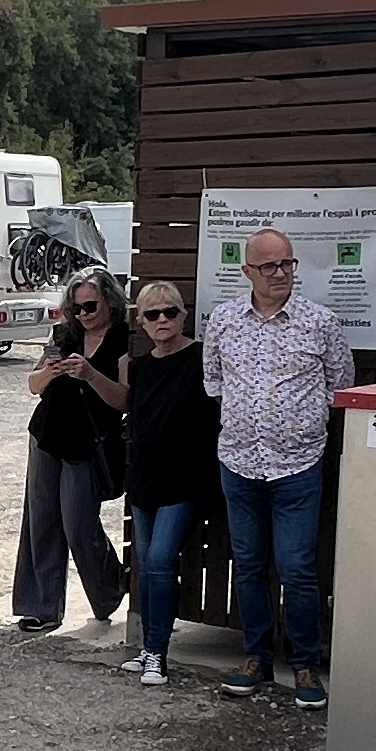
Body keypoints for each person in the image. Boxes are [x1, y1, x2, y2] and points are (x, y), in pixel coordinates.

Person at [204, 226, 357, 708]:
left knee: (297, 568)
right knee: (248, 565)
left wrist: (296, 424)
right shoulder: (224, 321)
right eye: (268, 266)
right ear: (247, 271)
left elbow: (340, 385)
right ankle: (256, 659)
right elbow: (214, 381)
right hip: (239, 463)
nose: (280, 273)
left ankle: (306, 665)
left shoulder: (320, 322)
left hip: (298, 465)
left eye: (286, 263)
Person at [11, 266, 134, 635]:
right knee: (41, 520)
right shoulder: (64, 334)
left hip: (89, 441)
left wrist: (90, 374)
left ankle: (109, 589)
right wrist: (52, 371)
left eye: (90, 306)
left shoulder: (123, 339)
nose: (83, 314)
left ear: (110, 302)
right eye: (76, 307)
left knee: (79, 523)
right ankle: (42, 607)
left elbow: (124, 400)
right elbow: (33, 385)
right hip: (47, 434)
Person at [118, 280, 220, 686]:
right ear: (141, 322)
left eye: (170, 311)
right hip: (145, 477)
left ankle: (157, 653)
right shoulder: (140, 366)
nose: (162, 320)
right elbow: (133, 415)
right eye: (153, 314)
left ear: (184, 315)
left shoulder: (202, 358)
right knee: (146, 564)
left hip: (186, 477)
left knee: (160, 559)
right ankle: (148, 648)